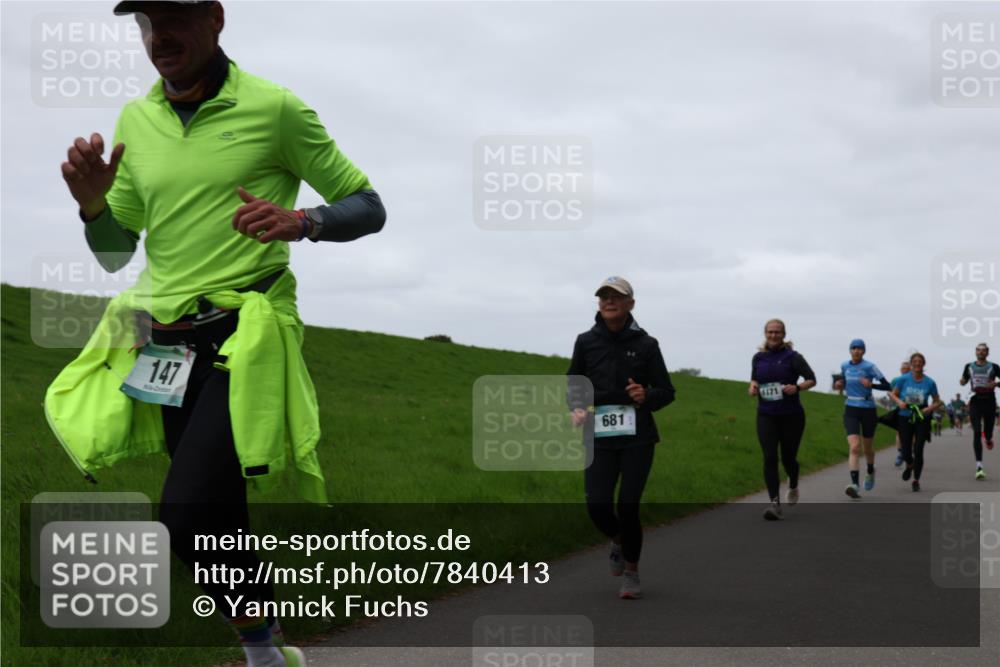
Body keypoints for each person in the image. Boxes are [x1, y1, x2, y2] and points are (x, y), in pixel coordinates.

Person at [47, 3, 386, 666]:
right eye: (145, 21)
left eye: (172, 16)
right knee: (215, 520)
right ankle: (266, 648)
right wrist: (91, 206)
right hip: (164, 346)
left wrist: (305, 221)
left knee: (186, 512)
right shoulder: (135, 121)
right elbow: (117, 252)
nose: (158, 35)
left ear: (214, 20)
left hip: (244, 337)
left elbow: (368, 204)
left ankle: (264, 650)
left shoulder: (275, 108)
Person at [567, 277, 675, 600]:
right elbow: (574, 383)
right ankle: (618, 538)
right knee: (597, 505)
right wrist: (576, 407)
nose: (609, 301)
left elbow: (667, 391)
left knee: (628, 505)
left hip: (637, 436)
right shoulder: (586, 342)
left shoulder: (647, 344)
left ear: (631, 304)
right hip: (598, 434)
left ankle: (631, 572)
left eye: (617, 296)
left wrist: (646, 395)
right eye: (603, 296)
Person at [747, 319, 816, 520]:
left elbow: (812, 379)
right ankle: (774, 504)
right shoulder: (758, 357)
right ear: (765, 334)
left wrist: (797, 388)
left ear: (784, 334)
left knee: (788, 459)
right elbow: (755, 379)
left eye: (777, 332)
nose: (773, 335)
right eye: (770, 332)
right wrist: (752, 386)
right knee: (769, 457)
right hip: (766, 414)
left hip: (791, 416)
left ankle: (793, 481)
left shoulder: (793, 357)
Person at [833, 339, 891, 499]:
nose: (857, 351)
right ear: (850, 350)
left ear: (864, 351)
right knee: (854, 447)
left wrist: (871, 385)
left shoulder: (870, 367)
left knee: (867, 449)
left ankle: (871, 470)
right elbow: (844, 382)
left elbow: (888, 386)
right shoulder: (845, 366)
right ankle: (855, 485)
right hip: (851, 408)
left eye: (860, 349)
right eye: (854, 348)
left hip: (868, 410)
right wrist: (840, 384)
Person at [890, 353, 943, 492]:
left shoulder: (930, 382)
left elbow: (938, 401)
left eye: (920, 361)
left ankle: (916, 480)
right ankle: (909, 464)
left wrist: (929, 408)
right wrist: (900, 402)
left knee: (919, 449)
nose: (917, 363)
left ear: (923, 364)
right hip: (905, 416)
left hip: (922, 417)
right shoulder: (903, 379)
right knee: (906, 450)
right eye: (915, 361)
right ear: (911, 364)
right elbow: (892, 394)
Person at [960, 343, 998, 480]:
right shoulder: (968, 366)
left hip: (990, 401)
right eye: (978, 350)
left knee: (988, 431)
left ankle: (988, 438)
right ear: (975, 352)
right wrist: (962, 381)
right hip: (975, 400)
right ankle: (979, 466)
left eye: (983, 350)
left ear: (987, 352)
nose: (981, 352)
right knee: (977, 431)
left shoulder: (994, 366)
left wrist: (996, 383)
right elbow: (963, 380)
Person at [890, 361, 911, 467]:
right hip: (899, 409)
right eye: (903, 369)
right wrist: (896, 400)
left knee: (912, 434)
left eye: (907, 369)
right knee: (899, 432)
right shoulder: (895, 380)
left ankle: (908, 451)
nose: (905, 370)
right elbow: (890, 392)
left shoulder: (913, 381)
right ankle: (901, 453)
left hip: (913, 410)